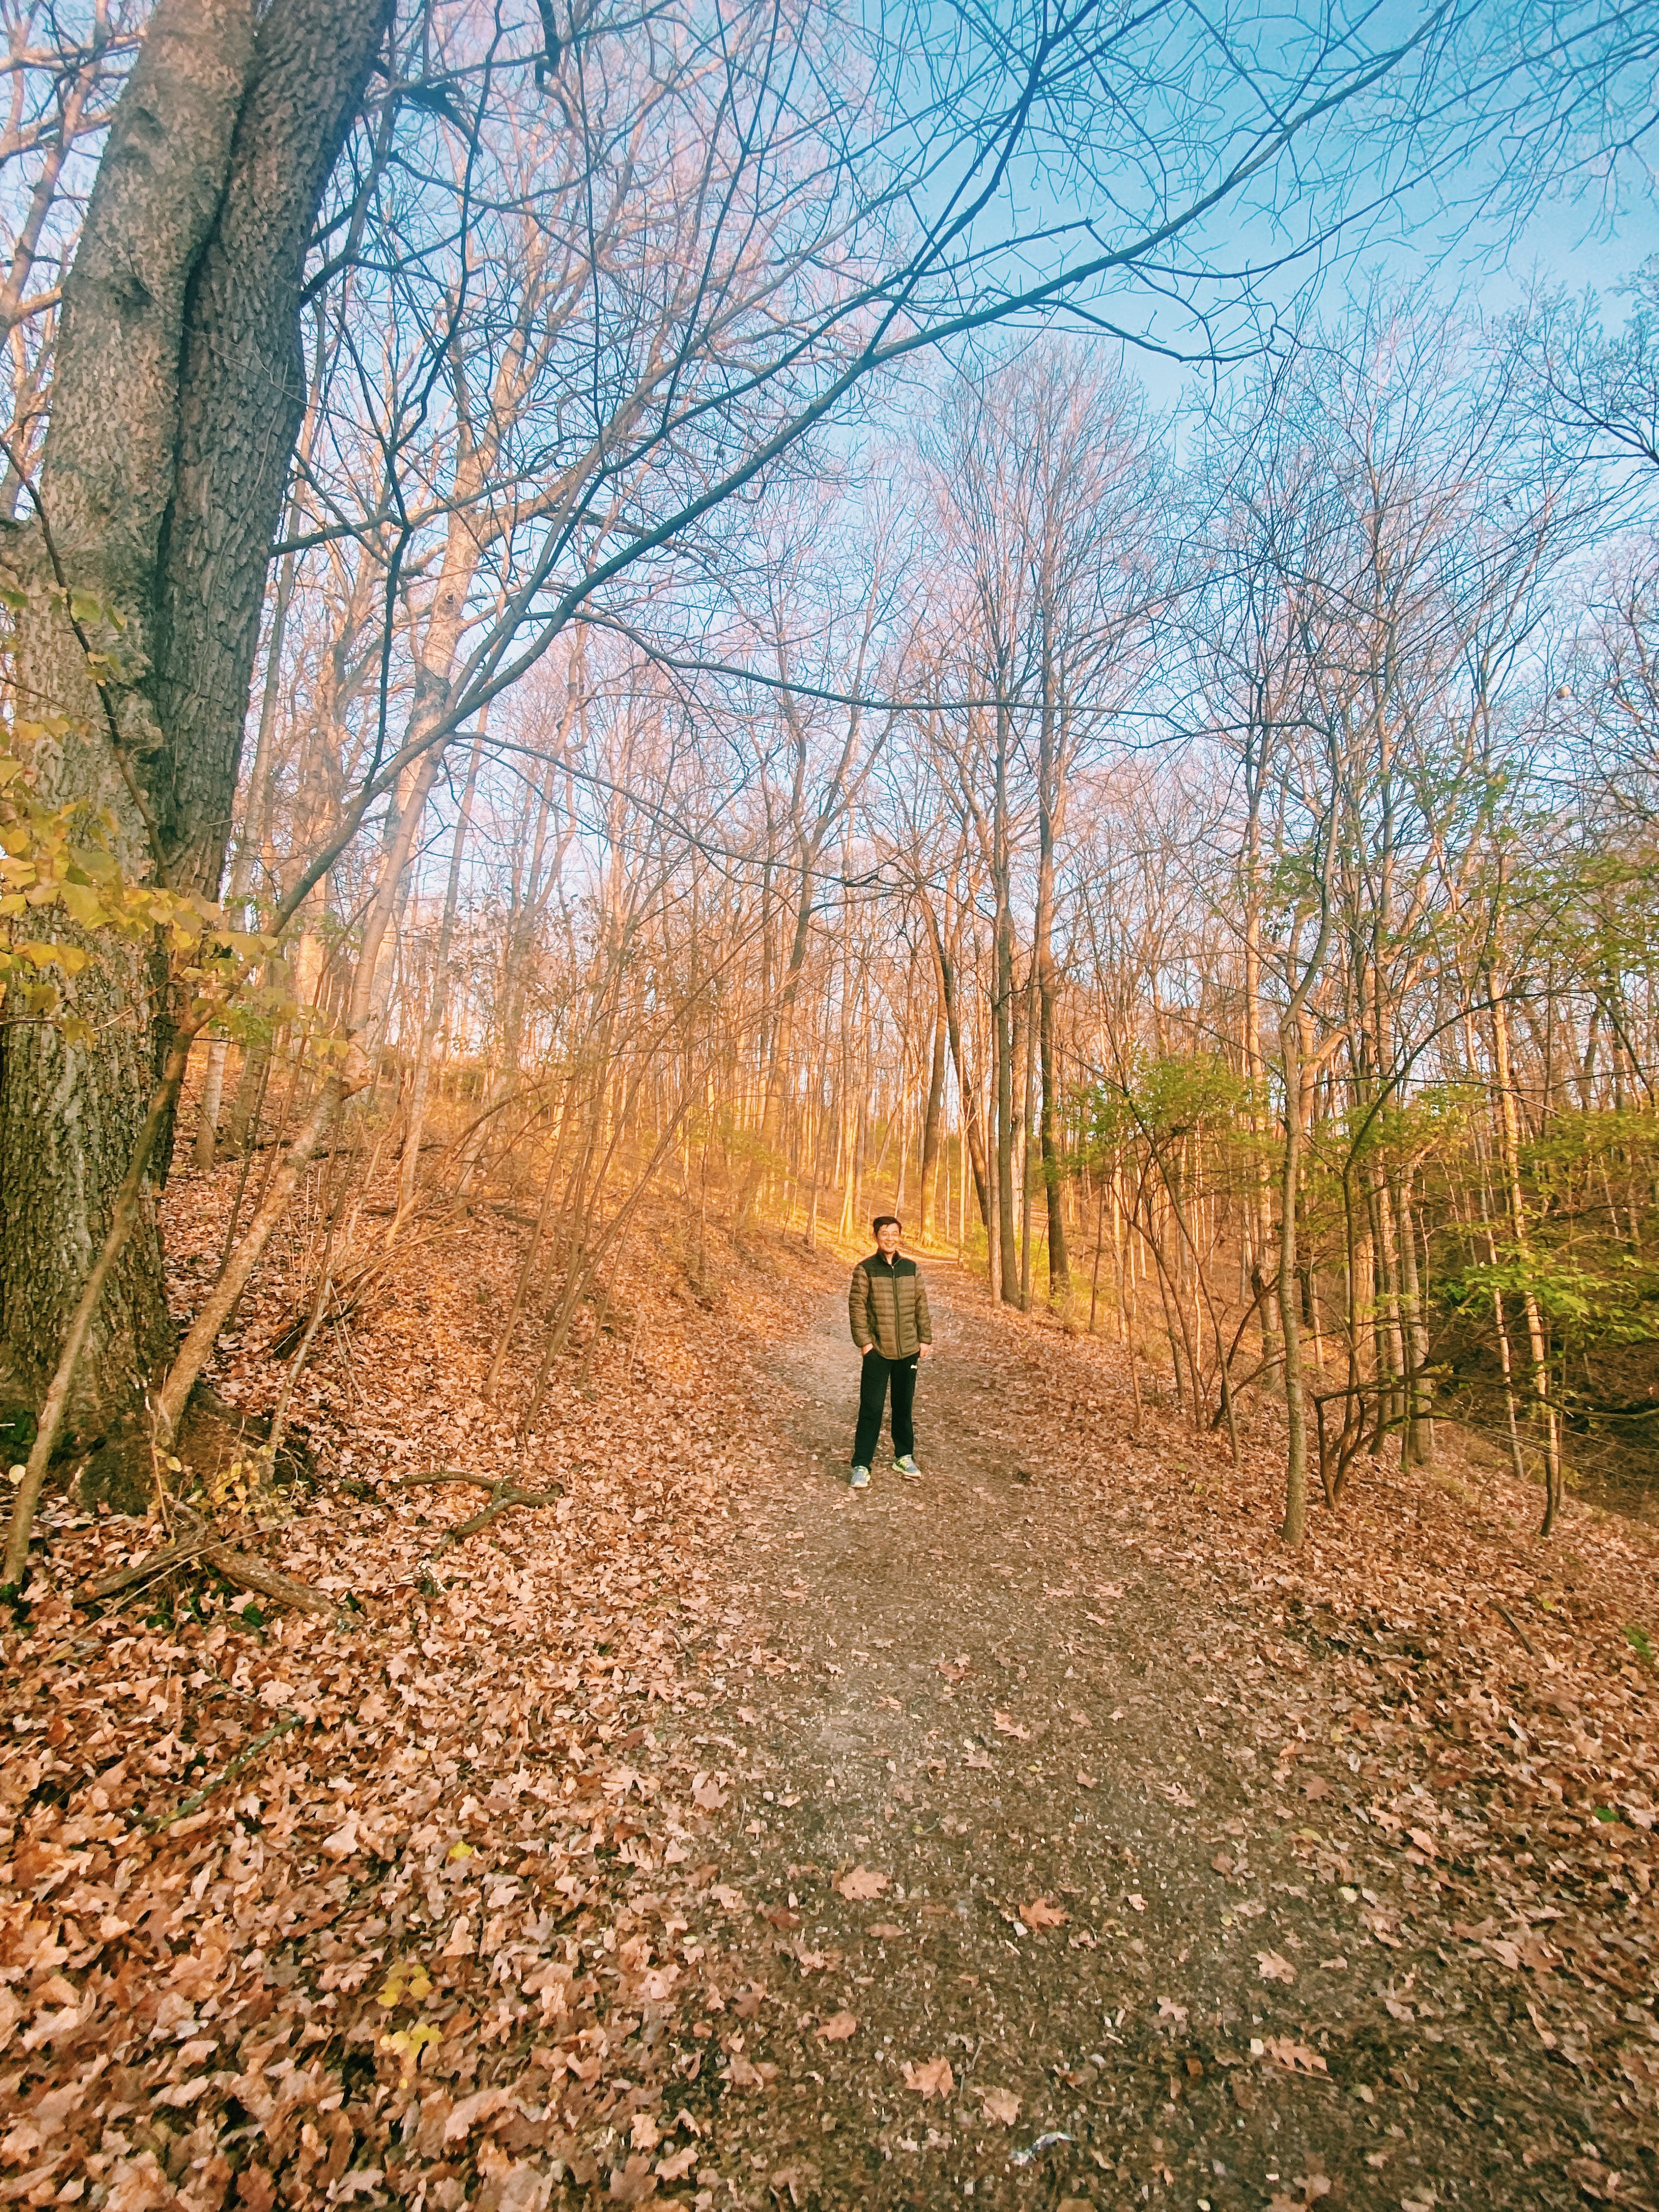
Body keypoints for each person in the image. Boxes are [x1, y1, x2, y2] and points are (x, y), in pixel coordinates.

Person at [847, 1214, 932, 1489]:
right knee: (871, 1408)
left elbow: (921, 1305)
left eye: (894, 1233)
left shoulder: (911, 1268)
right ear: (876, 1236)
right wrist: (865, 1342)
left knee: (903, 1406)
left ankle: (904, 1456)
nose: (890, 1238)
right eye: (885, 1233)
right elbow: (857, 1307)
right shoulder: (865, 1269)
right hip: (878, 1350)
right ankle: (861, 1464)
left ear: (899, 1236)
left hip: (908, 1349)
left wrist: (925, 1339)